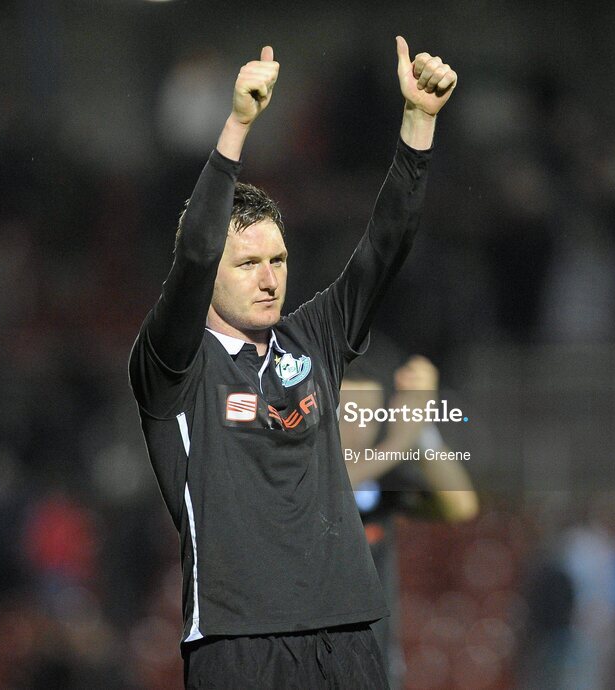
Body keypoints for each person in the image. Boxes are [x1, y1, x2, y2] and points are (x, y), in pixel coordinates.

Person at [128, 37, 458, 689]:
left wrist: (418, 124)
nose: (269, 278)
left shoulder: (314, 339)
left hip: (348, 634)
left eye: (277, 260)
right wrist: (238, 127)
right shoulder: (173, 366)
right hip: (237, 641)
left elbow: (383, 248)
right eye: (247, 263)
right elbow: (194, 252)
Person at [341, 354, 479, 689]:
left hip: (375, 659)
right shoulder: (297, 466)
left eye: (368, 414)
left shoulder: (383, 473)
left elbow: (460, 504)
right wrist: (401, 440)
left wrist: (422, 431)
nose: (359, 426)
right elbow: (337, 484)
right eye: (347, 413)